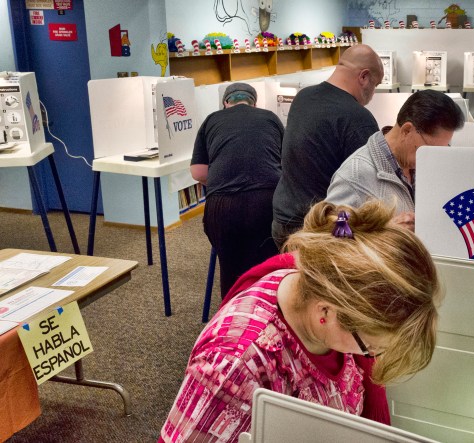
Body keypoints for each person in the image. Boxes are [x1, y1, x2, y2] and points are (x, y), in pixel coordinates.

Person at [159, 200, 441, 442]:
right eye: (371, 348)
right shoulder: (233, 366)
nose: (373, 357)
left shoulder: (319, 287)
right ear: (326, 313)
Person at [271, 44, 384, 248]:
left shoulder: (303, 97)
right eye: (375, 84)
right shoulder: (358, 118)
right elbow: (369, 186)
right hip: (321, 227)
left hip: (282, 218)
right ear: (364, 77)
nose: (373, 93)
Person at [190, 82, 284, 297]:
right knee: (266, 266)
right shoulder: (270, 117)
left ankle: (233, 316)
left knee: (231, 269)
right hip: (266, 201)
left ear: (225, 102)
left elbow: (197, 172)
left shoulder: (211, 120)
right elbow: (286, 161)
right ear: (254, 102)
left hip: (223, 206)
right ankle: (266, 314)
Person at [325, 90, 465, 231]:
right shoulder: (355, 176)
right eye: (430, 148)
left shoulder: (418, 164)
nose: (434, 156)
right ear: (407, 130)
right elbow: (331, 236)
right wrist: (386, 231)